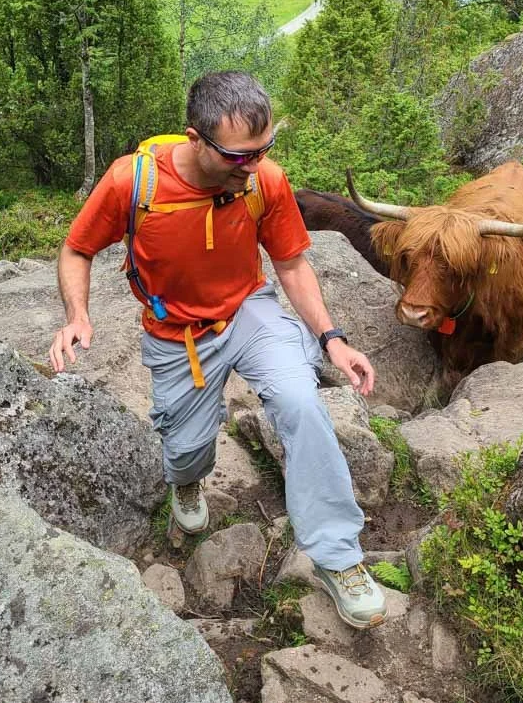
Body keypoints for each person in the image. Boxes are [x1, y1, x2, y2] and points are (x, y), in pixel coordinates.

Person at [48, 71, 387, 630]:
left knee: (301, 403)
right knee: (184, 451)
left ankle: (338, 557)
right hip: (177, 333)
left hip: (249, 311)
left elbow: (292, 263)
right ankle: (187, 479)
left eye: (263, 150)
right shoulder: (132, 183)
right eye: (238, 154)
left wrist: (333, 338)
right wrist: (77, 316)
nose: (253, 166)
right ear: (195, 138)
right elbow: (77, 249)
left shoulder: (263, 180)